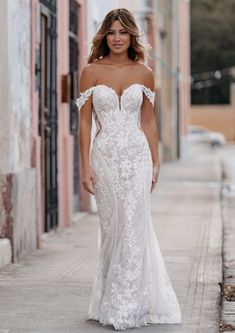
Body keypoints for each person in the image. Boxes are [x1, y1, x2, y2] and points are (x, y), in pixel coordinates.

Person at [76, 8, 181, 331]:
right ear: (104, 35)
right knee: (113, 228)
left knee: (134, 225)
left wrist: (156, 159)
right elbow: (83, 123)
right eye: (112, 32)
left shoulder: (144, 73)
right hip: (105, 156)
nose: (118, 38)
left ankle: (129, 303)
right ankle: (109, 296)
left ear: (132, 36)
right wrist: (84, 167)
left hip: (137, 156)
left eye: (123, 32)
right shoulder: (91, 71)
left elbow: (148, 120)